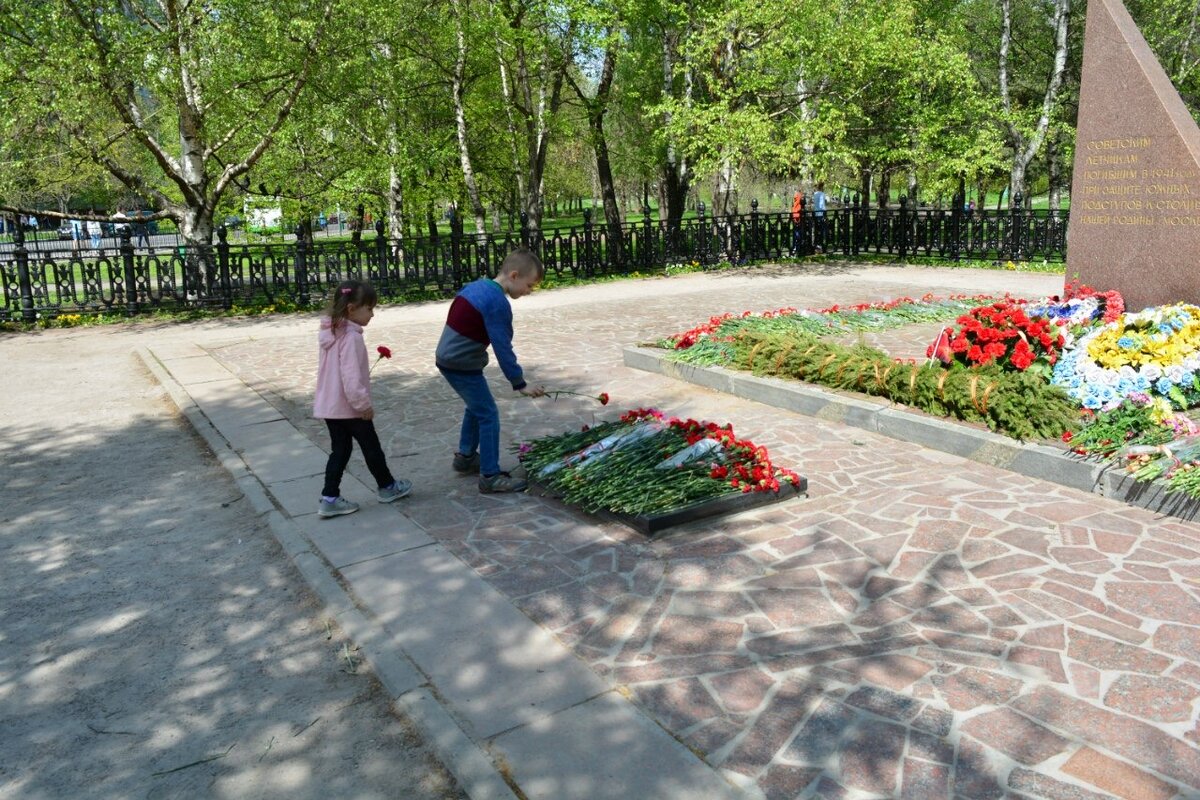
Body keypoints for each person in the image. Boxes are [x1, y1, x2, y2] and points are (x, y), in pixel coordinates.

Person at [435, 246, 546, 493]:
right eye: (529, 286)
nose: (529, 292)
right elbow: (503, 348)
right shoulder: (497, 303)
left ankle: (465, 458)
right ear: (514, 276)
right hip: (460, 362)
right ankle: (490, 475)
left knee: (477, 407)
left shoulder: (478, 285)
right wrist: (519, 383)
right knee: (488, 414)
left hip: (452, 358)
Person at [313, 280, 412, 518]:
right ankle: (387, 487)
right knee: (371, 447)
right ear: (351, 309)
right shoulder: (351, 337)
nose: (372, 314)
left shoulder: (330, 332)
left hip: (331, 407)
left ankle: (329, 498)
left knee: (340, 450)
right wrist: (363, 405)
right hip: (350, 407)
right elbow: (350, 376)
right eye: (369, 308)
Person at [812, 181, 828, 252]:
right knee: (822, 231)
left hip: (816, 214)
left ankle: (816, 245)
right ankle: (821, 246)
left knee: (816, 230)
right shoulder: (822, 194)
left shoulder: (815, 194)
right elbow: (822, 205)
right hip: (821, 214)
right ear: (822, 187)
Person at [790, 191, 802, 255]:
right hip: (797, 221)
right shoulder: (797, 204)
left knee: (796, 235)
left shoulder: (795, 203)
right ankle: (796, 248)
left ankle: (795, 247)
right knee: (797, 235)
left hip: (796, 220)